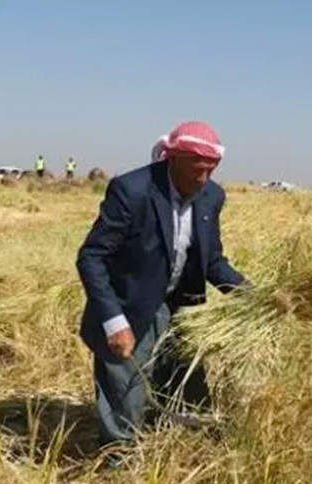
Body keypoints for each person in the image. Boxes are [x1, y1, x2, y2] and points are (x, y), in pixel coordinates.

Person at [76, 121, 248, 462]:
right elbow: (91, 257)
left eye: (210, 170)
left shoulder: (212, 196)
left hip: (180, 303)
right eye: (196, 170)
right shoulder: (133, 190)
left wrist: (251, 295)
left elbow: (211, 261)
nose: (202, 179)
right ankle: (119, 464)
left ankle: (180, 454)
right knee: (126, 395)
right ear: (173, 159)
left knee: (186, 385)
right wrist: (113, 321)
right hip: (130, 303)